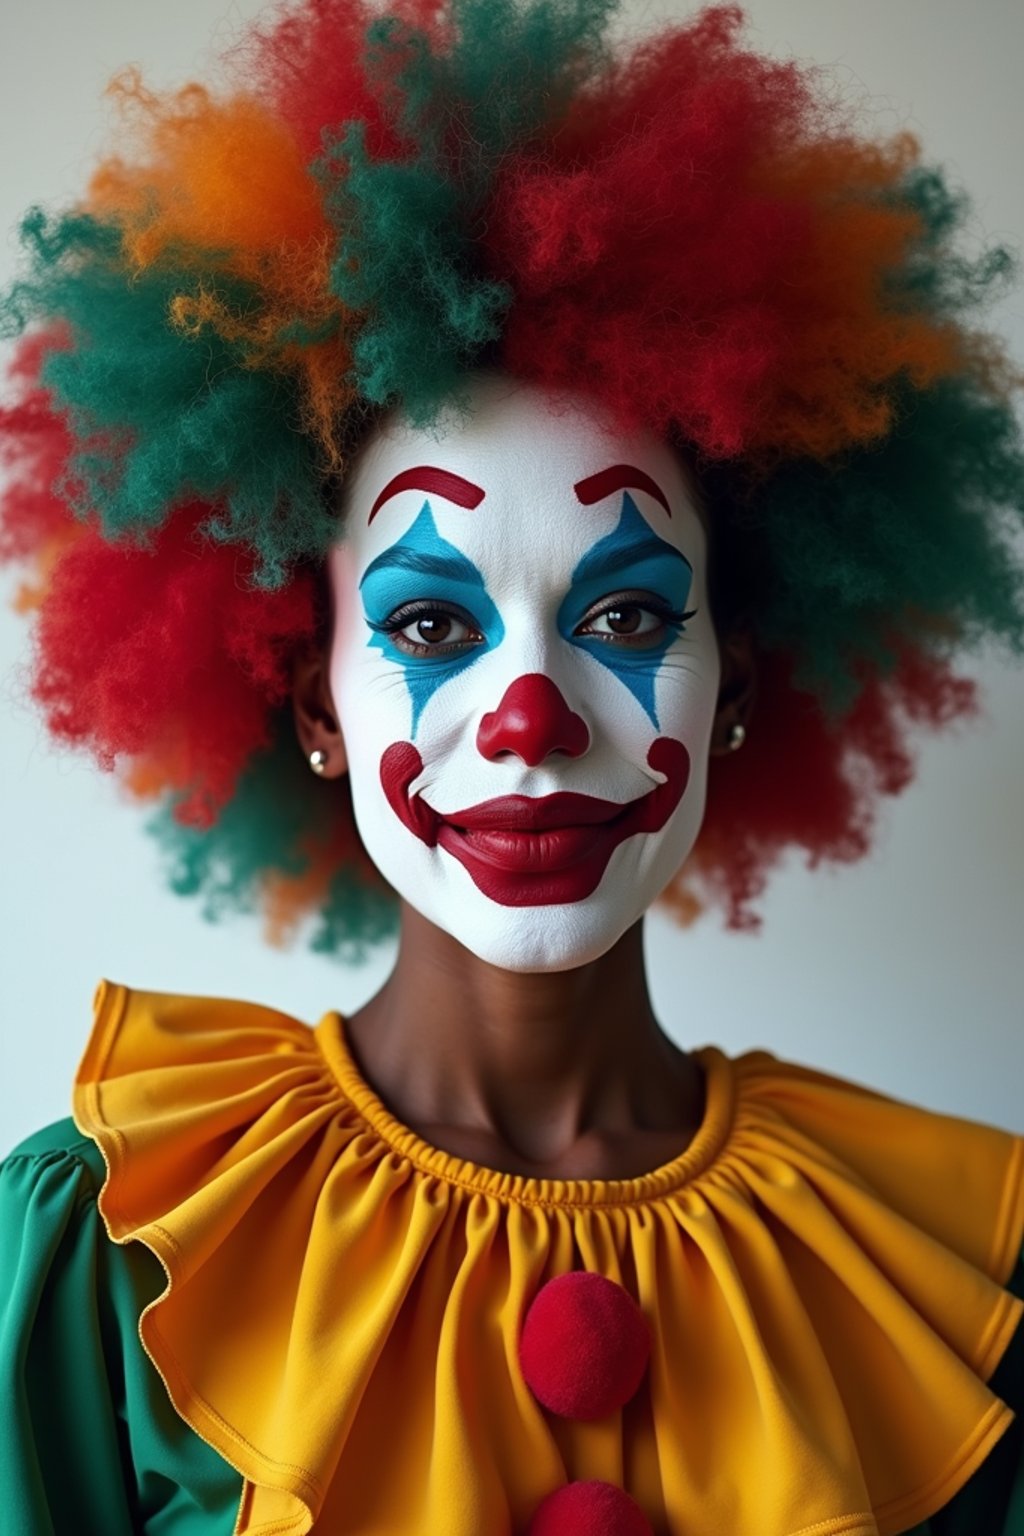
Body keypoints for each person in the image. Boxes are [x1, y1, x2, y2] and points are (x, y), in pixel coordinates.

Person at [1, 2, 1022, 1533]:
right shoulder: (117, 1241)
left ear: (734, 682)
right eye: (427, 620)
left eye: (620, 611)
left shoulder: (942, 1261)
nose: (531, 715)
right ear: (311, 700)